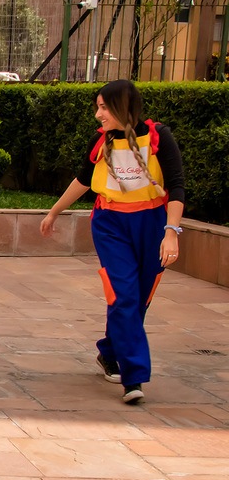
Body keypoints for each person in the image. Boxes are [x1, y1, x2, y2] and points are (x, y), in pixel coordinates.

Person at [41, 79, 185, 405]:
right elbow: (82, 179)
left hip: (152, 224)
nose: (98, 115)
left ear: (122, 107)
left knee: (139, 297)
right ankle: (133, 377)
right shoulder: (100, 141)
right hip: (110, 224)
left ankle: (109, 350)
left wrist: (170, 232)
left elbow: (176, 187)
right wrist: (54, 212)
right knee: (124, 293)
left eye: (104, 107)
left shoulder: (159, 136)